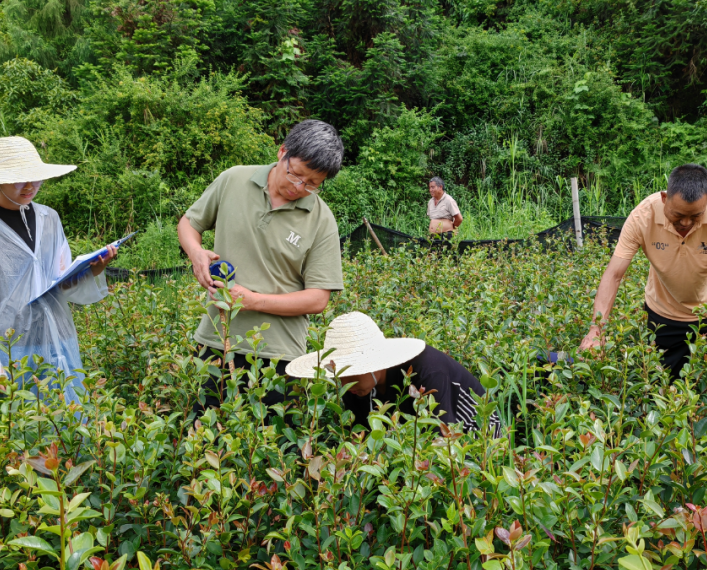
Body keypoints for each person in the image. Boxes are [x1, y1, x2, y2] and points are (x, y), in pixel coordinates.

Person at [177, 120, 345, 408]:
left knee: (272, 447)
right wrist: (196, 253)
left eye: (313, 184)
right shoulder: (233, 180)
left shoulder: (322, 220)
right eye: (296, 175)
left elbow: (318, 298)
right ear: (282, 152)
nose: (300, 187)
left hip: (279, 355)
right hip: (216, 339)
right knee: (201, 440)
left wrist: (253, 300)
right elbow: (189, 223)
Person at [0, 136, 117, 405]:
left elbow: (61, 282)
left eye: (35, 178)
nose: (30, 186)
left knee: (67, 425)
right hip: (10, 346)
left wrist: (94, 269)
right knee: (21, 430)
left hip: (57, 339)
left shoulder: (48, 218)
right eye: (20, 179)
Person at [578, 164, 707, 378]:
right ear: (664, 198)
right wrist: (596, 330)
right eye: (678, 215)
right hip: (664, 314)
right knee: (662, 385)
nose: (686, 223)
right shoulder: (642, 217)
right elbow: (614, 275)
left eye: (695, 216)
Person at [286, 311, 502, 437]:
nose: (343, 382)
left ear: (372, 363)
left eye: (349, 372)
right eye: (338, 374)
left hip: (475, 434)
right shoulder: (354, 386)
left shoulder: (427, 371)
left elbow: (443, 439)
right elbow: (361, 437)